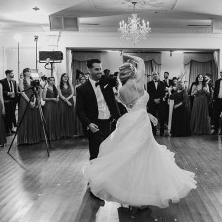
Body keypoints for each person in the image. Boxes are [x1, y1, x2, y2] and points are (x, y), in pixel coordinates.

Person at [84, 55, 196, 208]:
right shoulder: (138, 82)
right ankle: (142, 196)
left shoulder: (121, 90)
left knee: (130, 156)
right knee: (145, 155)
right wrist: (129, 55)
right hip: (142, 123)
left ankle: (129, 193)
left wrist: (147, 114)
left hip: (130, 122)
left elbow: (132, 107)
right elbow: (142, 62)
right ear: (132, 72)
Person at [76, 58, 120, 161]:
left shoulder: (107, 81)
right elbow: (79, 110)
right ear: (89, 70)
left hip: (110, 123)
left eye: (100, 68)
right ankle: (94, 176)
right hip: (95, 125)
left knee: (109, 153)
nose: (99, 71)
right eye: (96, 69)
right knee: (96, 154)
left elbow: (121, 78)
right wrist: (88, 124)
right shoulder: (82, 89)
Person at [17, 68, 44, 145]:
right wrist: (29, 102)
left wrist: (34, 101)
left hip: (33, 99)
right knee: (25, 118)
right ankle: (25, 139)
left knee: (33, 118)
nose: (29, 72)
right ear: (25, 73)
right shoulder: (22, 80)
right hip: (25, 100)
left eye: (30, 71)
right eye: (28, 71)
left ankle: (33, 138)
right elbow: (22, 92)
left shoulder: (33, 81)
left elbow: (36, 91)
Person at [147, 71, 166, 136]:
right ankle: (153, 132)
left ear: (158, 75)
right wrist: (154, 99)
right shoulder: (149, 83)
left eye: (156, 74)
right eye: (153, 74)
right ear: (152, 76)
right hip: (152, 103)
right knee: (152, 117)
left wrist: (159, 99)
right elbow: (149, 93)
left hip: (160, 103)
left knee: (162, 117)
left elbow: (163, 93)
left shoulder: (163, 83)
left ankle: (162, 132)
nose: (154, 75)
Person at [42, 77, 61, 141]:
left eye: (53, 80)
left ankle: (55, 135)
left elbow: (57, 96)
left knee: (54, 119)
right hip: (48, 105)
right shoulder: (45, 88)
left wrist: (57, 99)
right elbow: (43, 98)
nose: (52, 81)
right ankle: (49, 136)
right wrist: (52, 99)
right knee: (49, 119)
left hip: (55, 105)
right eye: (51, 80)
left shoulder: (55, 88)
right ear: (48, 81)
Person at [0, 70, 18, 135]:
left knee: (12, 116)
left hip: (13, 102)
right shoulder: (2, 81)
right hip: (6, 101)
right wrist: (8, 93)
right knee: (7, 117)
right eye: (11, 73)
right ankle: (6, 130)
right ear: (7, 74)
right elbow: (1, 91)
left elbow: (15, 91)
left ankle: (11, 128)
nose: (13, 74)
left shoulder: (14, 81)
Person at [58, 73, 75, 138]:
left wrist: (68, 99)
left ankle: (70, 133)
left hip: (70, 100)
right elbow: (60, 95)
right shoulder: (58, 85)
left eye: (67, 77)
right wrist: (66, 100)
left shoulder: (70, 84)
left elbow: (72, 93)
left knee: (70, 116)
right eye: (64, 76)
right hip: (62, 101)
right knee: (63, 116)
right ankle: (63, 133)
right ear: (62, 77)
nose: (66, 78)